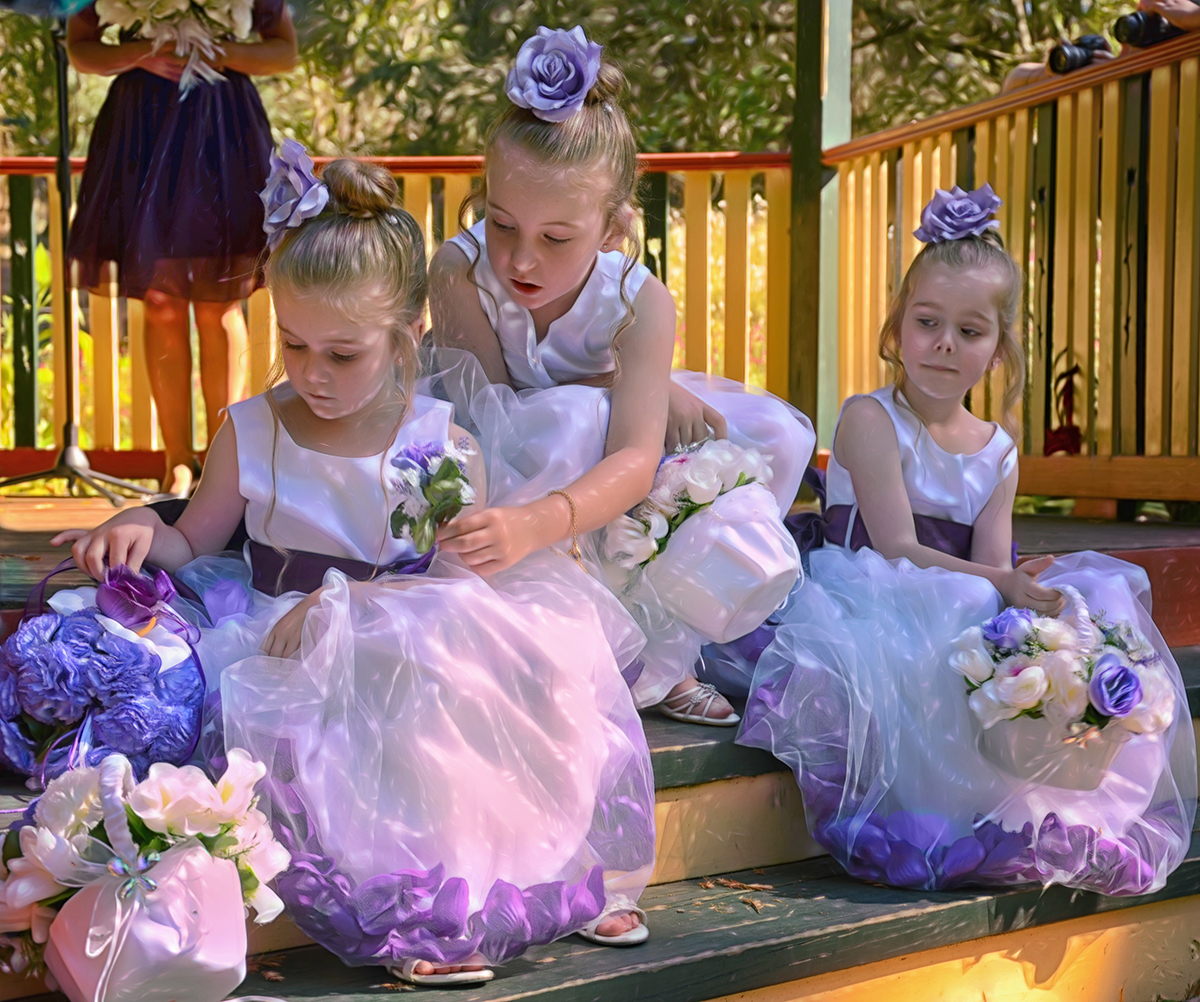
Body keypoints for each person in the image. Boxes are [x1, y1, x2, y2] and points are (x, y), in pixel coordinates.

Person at [51, 153, 656, 985]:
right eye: (293, 345)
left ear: (408, 334)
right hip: (282, 639)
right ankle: (410, 904)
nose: (311, 374)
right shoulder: (252, 428)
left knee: (482, 666)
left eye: (343, 353)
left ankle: (514, 879)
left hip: (397, 629)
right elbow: (196, 539)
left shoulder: (435, 445)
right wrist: (137, 527)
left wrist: (352, 601)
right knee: (352, 712)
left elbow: (450, 584)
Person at [734, 185, 1196, 895]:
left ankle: (1038, 797)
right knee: (955, 608)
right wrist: (999, 586)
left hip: (952, 589)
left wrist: (1025, 600)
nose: (944, 344)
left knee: (1087, 595)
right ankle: (940, 806)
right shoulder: (869, 418)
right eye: (927, 322)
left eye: (970, 332)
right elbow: (893, 547)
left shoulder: (998, 451)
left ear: (998, 348)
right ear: (898, 328)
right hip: (865, 590)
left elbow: (990, 568)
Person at [430, 26, 815, 726]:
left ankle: (666, 647)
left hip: (591, 463)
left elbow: (638, 460)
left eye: (555, 239)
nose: (520, 259)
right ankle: (575, 639)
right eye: (501, 223)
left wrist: (645, 383)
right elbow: (490, 414)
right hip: (505, 454)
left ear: (612, 230)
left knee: (771, 437)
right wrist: (621, 393)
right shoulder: (458, 271)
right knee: (572, 421)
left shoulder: (640, 299)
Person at [66, 2, 298, 494]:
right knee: (160, 302)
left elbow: (283, 51)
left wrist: (218, 51)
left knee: (218, 305)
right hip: (142, 129)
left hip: (222, 130)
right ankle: (176, 462)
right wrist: (143, 53)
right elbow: (81, 49)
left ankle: (222, 462)